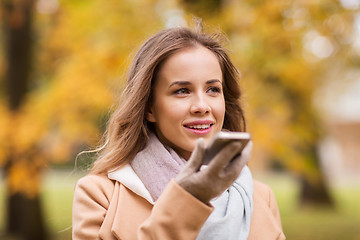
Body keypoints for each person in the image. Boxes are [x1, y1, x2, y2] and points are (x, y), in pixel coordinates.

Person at [72, 24, 286, 240]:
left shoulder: (259, 196)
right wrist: (189, 198)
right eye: (182, 91)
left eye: (213, 89)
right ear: (149, 108)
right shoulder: (99, 195)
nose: (202, 106)